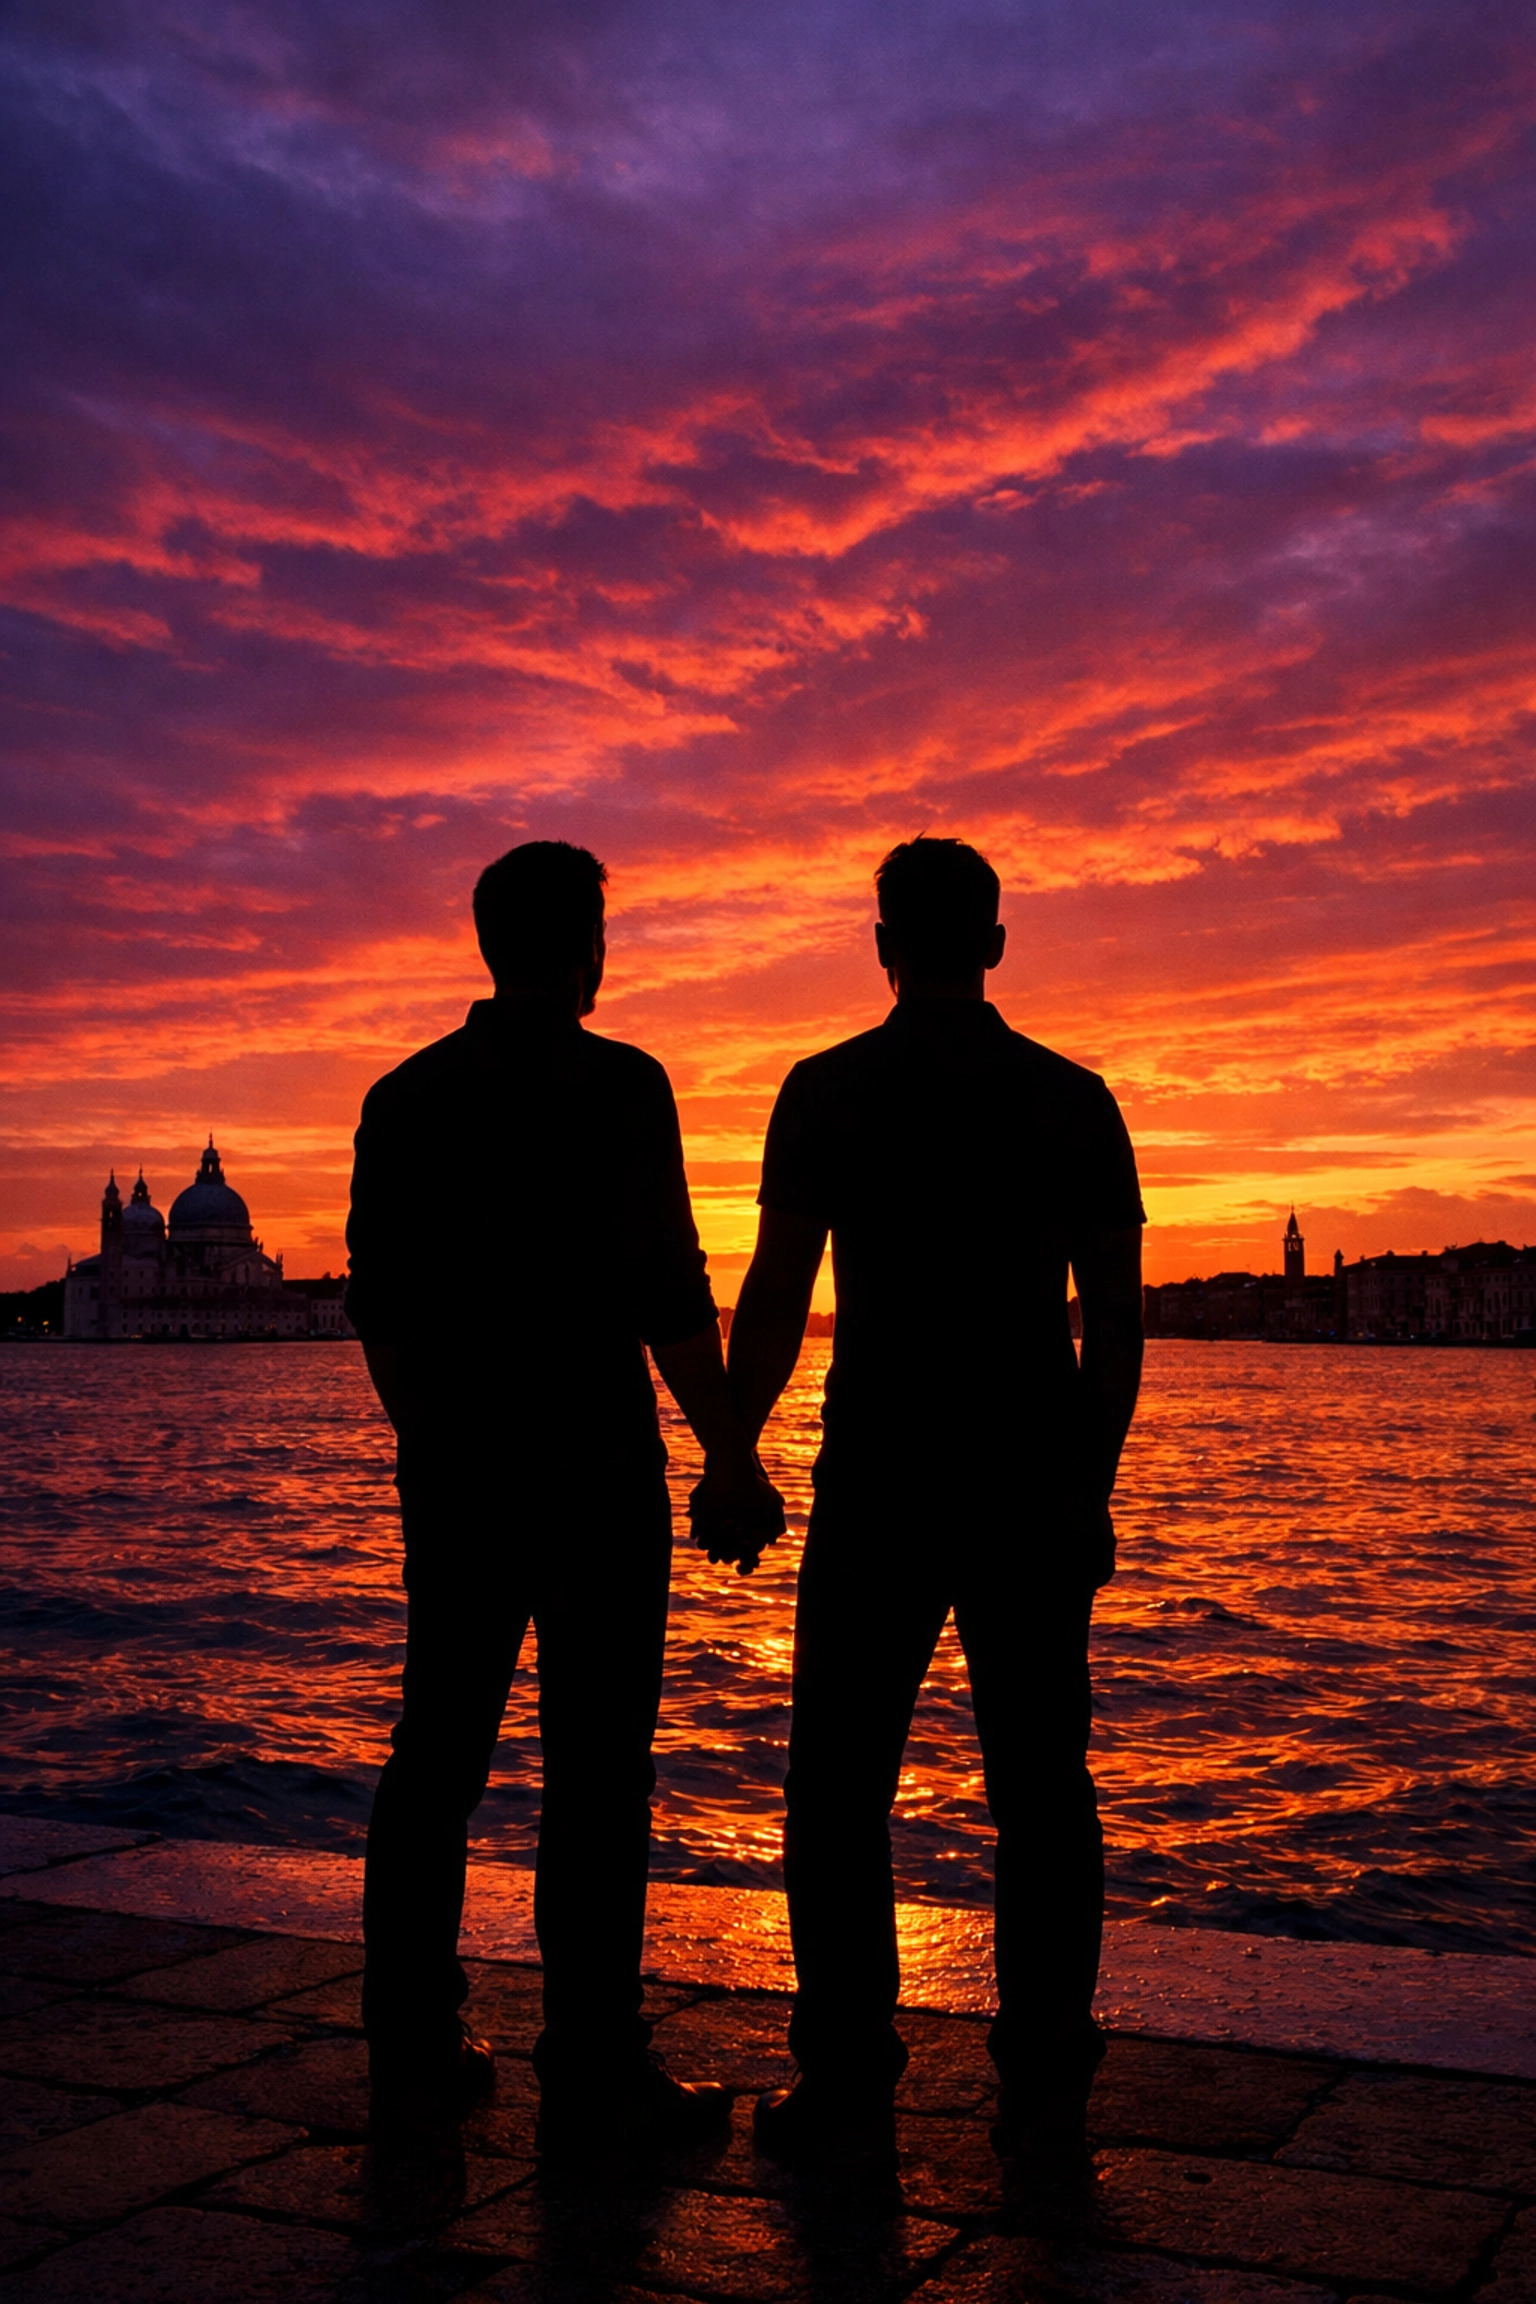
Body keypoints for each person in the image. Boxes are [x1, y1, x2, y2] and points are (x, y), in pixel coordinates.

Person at [345, 840, 782, 2143]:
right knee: (600, 1775)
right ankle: (591, 2061)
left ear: (489, 945)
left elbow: (380, 1303)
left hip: (461, 1476)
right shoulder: (624, 1088)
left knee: (437, 1756)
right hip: (599, 1476)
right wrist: (731, 1454)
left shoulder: (405, 1097)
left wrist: (431, 1436)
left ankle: (411, 2038)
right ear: (585, 945)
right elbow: (671, 1291)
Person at [722, 836, 1144, 2169]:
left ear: (884, 946)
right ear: (998, 943)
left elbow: (779, 1298)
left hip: (882, 1477)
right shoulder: (1074, 1103)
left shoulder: (829, 1093)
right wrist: (1091, 1487)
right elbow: (1118, 1337)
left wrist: (733, 1454)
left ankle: (846, 2069)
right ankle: (1044, 2062)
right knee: (1041, 1783)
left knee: (837, 1788)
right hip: (1028, 1479)